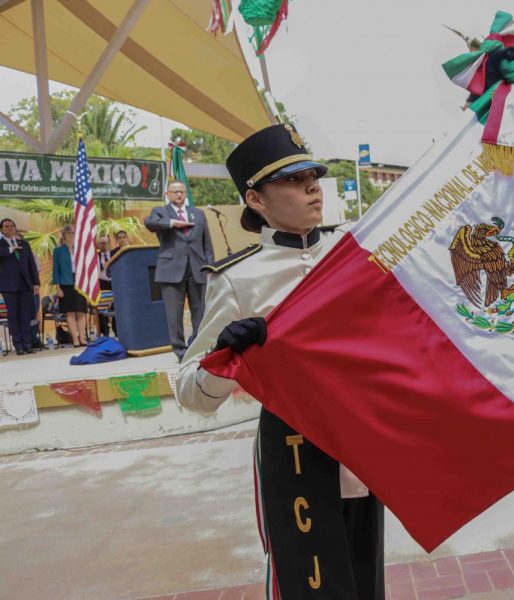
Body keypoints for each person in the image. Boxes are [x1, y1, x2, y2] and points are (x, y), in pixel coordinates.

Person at [176, 123, 384, 599]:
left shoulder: (351, 253)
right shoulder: (237, 279)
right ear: (256, 200)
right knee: (307, 583)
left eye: (312, 176)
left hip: (363, 441)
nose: (312, 187)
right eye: (292, 180)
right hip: (296, 450)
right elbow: (191, 392)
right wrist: (223, 354)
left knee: (365, 577)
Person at [143, 181, 214, 360]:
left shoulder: (197, 214)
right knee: (174, 315)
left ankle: (197, 348)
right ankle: (181, 351)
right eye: (175, 192)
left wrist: (211, 267)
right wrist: (174, 223)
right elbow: (150, 223)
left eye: (182, 192)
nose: (179, 195)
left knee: (200, 312)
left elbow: (207, 244)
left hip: (197, 268)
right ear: (168, 194)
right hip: (171, 271)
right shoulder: (161, 212)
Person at [0, 218, 41, 355]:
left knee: (25, 315)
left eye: (12, 226)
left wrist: (36, 283)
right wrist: (11, 249)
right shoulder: (1, 245)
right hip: (9, 286)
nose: (10, 228)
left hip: (25, 285)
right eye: (7, 226)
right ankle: (18, 345)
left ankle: (28, 344)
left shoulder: (24, 244)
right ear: (2, 229)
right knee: (14, 316)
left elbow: (32, 265)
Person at [52, 224, 89, 347]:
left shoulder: (80, 249)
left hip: (80, 282)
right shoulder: (58, 251)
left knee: (81, 312)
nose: (70, 235)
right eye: (68, 233)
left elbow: (86, 267)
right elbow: (55, 270)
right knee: (70, 313)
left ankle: (82, 338)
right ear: (63, 236)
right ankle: (75, 339)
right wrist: (58, 287)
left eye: (72, 233)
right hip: (65, 283)